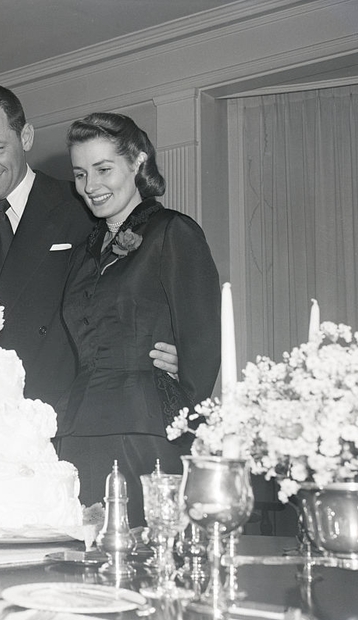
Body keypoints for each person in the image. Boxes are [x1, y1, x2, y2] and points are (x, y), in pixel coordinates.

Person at [0, 84, 178, 427]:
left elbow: (134, 287)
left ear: (26, 137)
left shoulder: (83, 207)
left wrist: (170, 349)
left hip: (62, 418)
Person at [60, 112, 221, 525]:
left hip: (145, 430)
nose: (90, 186)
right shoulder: (83, 253)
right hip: (78, 433)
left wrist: (184, 383)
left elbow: (203, 348)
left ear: (138, 162)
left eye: (103, 169)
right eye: (80, 174)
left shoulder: (173, 232)